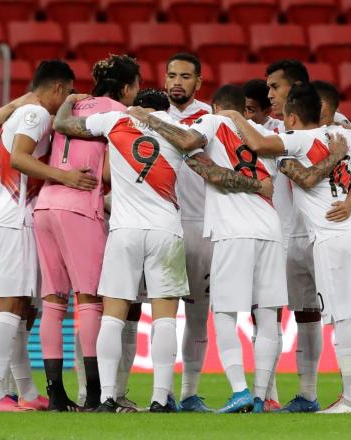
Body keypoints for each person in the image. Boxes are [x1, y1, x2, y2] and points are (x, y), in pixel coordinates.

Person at [54, 88, 273, 413]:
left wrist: (69, 100)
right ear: (164, 109)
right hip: (166, 232)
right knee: (165, 320)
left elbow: (63, 125)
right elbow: (210, 171)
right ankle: (160, 398)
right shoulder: (176, 130)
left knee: (113, 318)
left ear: (137, 105)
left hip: (124, 231)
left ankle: (106, 398)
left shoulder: (115, 120)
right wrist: (256, 185)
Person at [129, 85, 288, 414]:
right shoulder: (260, 132)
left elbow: (187, 143)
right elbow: (269, 179)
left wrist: (150, 120)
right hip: (270, 228)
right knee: (267, 314)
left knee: (225, 313)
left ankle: (240, 391)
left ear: (215, 107)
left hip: (233, 231)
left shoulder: (211, 123)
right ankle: (261, 396)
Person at [225, 83, 351, 414]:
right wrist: (349, 194)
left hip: (331, 237)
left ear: (292, 116)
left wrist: (235, 115)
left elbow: (259, 143)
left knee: (344, 318)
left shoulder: (296, 140)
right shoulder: (343, 135)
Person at [32, 54, 140, 412]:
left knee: (53, 301)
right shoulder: (116, 112)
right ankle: (94, 393)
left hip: (45, 204)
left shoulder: (72, 102)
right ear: (126, 88)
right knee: (90, 299)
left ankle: (55, 394)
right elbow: (109, 172)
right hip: (80, 206)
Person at [0, 59, 84, 412]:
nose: (67, 100)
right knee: (10, 306)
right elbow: (21, 159)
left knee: (24, 309)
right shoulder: (36, 115)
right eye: (68, 92)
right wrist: (65, 177)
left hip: (0, 214)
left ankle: (25, 391)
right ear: (57, 88)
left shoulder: (19, 114)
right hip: (12, 218)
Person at [163, 52, 214, 412]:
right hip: (159, 225)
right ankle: (156, 392)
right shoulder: (149, 113)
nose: (176, 81)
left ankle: (189, 393)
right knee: (148, 312)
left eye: (185, 76)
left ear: (198, 83)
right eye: (171, 75)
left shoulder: (210, 117)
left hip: (200, 225)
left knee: (197, 314)